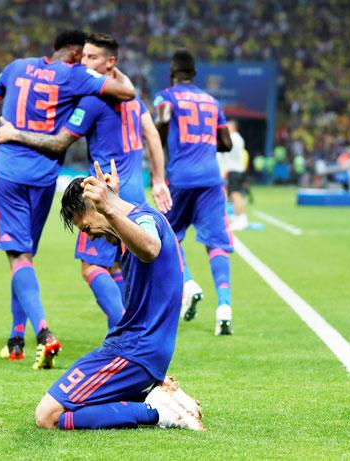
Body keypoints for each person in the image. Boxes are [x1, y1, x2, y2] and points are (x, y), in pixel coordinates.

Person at [0, 30, 136, 369]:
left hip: (8, 174)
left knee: (18, 257)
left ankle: (42, 333)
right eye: (82, 56)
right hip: (43, 180)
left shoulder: (16, 68)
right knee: (23, 256)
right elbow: (126, 92)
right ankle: (14, 340)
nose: (84, 62)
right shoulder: (73, 75)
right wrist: (107, 69)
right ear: (73, 53)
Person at [0, 32, 172, 331]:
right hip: (134, 191)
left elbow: (59, 142)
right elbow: (152, 134)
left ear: (109, 62)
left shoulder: (92, 102)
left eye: (91, 58)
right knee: (118, 265)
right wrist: (158, 180)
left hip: (107, 192)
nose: (83, 62)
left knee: (91, 266)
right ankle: (124, 327)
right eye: (83, 56)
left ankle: (123, 333)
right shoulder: (134, 98)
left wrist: (15, 134)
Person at [34, 162, 201, 431]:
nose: (91, 238)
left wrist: (110, 207)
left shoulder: (144, 221)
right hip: (138, 350)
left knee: (47, 416)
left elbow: (150, 247)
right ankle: (157, 398)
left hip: (135, 351)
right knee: (73, 406)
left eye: (87, 228)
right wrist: (112, 205)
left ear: (96, 207)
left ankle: (157, 412)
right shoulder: (133, 225)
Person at [153, 49, 234, 335]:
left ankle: (188, 283)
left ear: (172, 74)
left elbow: (159, 129)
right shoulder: (212, 101)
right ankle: (224, 307)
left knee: (169, 235)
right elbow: (226, 142)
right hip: (211, 179)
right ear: (194, 75)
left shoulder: (166, 97)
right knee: (216, 243)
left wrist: (163, 151)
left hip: (180, 177)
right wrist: (205, 142)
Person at [222, 120, 248, 231]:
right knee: (233, 195)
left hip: (235, 170)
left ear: (233, 127)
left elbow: (225, 149)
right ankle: (238, 217)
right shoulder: (237, 138)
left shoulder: (235, 138)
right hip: (235, 170)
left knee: (235, 195)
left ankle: (241, 218)